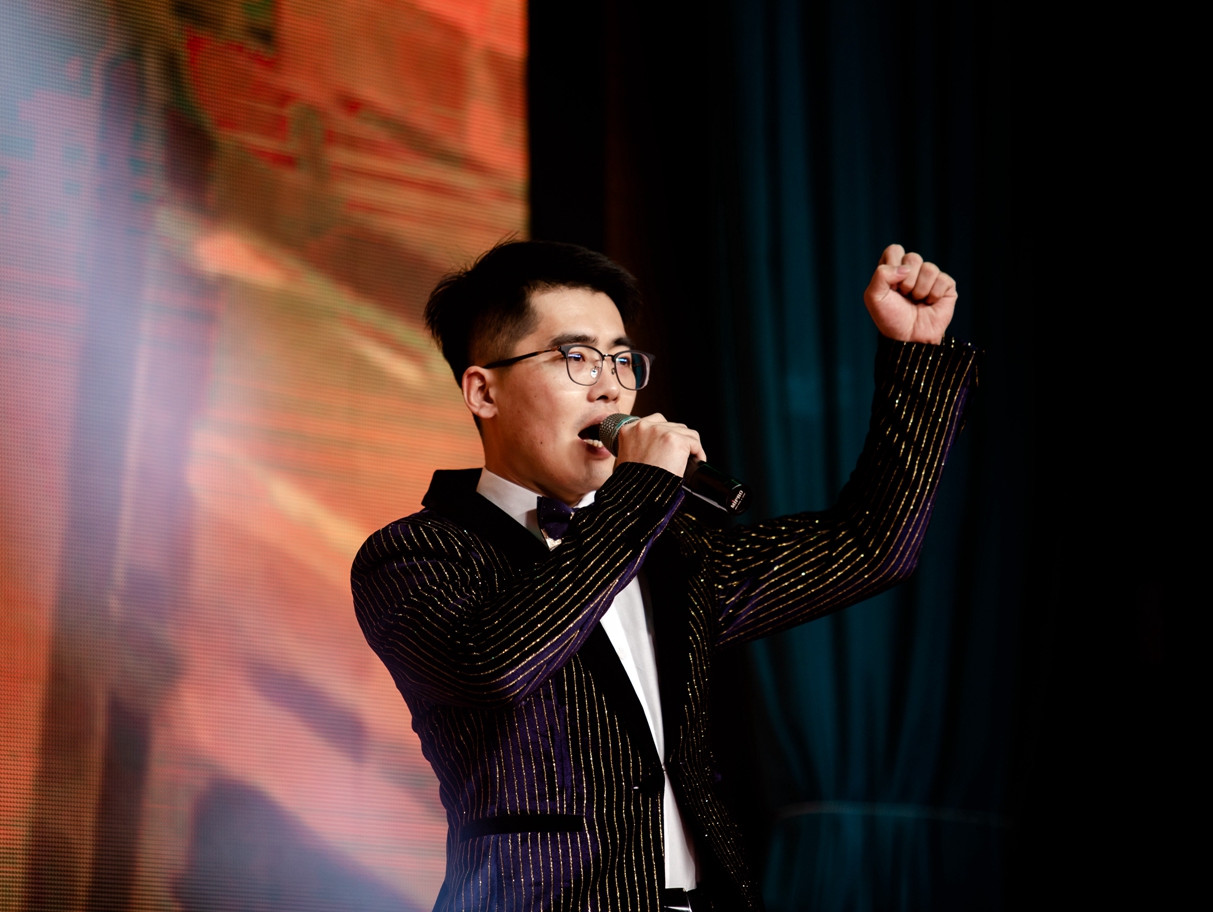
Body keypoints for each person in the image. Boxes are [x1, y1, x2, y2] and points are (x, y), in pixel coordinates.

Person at [351, 240, 978, 911]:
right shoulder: (414, 554)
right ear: (484, 390)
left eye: (622, 359)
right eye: (576, 357)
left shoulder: (669, 552)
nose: (611, 386)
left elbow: (869, 546)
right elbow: (494, 667)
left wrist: (916, 354)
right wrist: (642, 492)